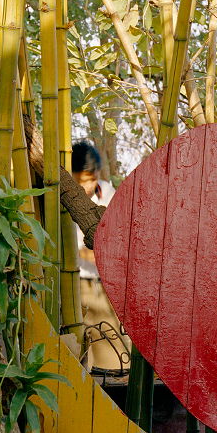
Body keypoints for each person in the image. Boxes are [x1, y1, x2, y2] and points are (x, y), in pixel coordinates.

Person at [71, 142, 129, 371]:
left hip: (106, 284)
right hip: (76, 285)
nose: (87, 185)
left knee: (115, 360)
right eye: (82, 180)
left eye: (91, 179)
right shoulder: (59, 196)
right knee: (82, 356)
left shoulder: (108, 192)